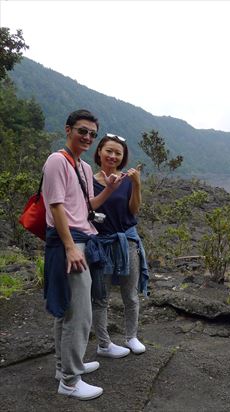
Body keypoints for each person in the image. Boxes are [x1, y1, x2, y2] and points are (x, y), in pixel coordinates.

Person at [42, 109, 125, 400]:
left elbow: (87, 205)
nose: (87, 137)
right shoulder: (57, 161)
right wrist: (68, 247)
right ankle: (70, 381)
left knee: (67, 309)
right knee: (79, 314)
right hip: (70, 243)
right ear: (68, 130)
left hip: (84, 240)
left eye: (92, 133)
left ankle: (64, 367)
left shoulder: (83, 168)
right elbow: (56, 207)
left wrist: (110, 189)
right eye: (82, 131)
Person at [91, 133, 149, 359]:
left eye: (118, 153)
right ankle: (104, 344)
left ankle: (131, 336)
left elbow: (134, 210)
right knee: (101, 296)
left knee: (130, 294)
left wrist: (137, 184)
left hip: (127, 242)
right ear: (99, 152)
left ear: (123, 158)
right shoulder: (90, 181)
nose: (113, 156)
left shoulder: (126, 180)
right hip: (102, 244)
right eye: (109, 151)